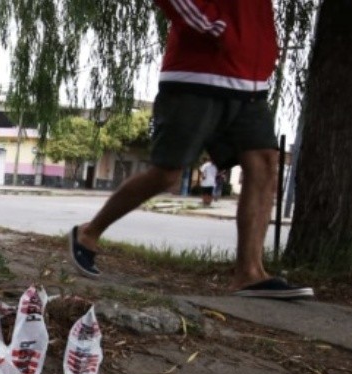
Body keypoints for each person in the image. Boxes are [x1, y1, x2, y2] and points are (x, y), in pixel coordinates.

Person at [69, 0, 313, 299]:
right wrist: (211, 26)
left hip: (251, 81)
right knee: (167, 174)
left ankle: (249, 274)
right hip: (197, 74)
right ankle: (89, 232)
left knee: (265, 163)